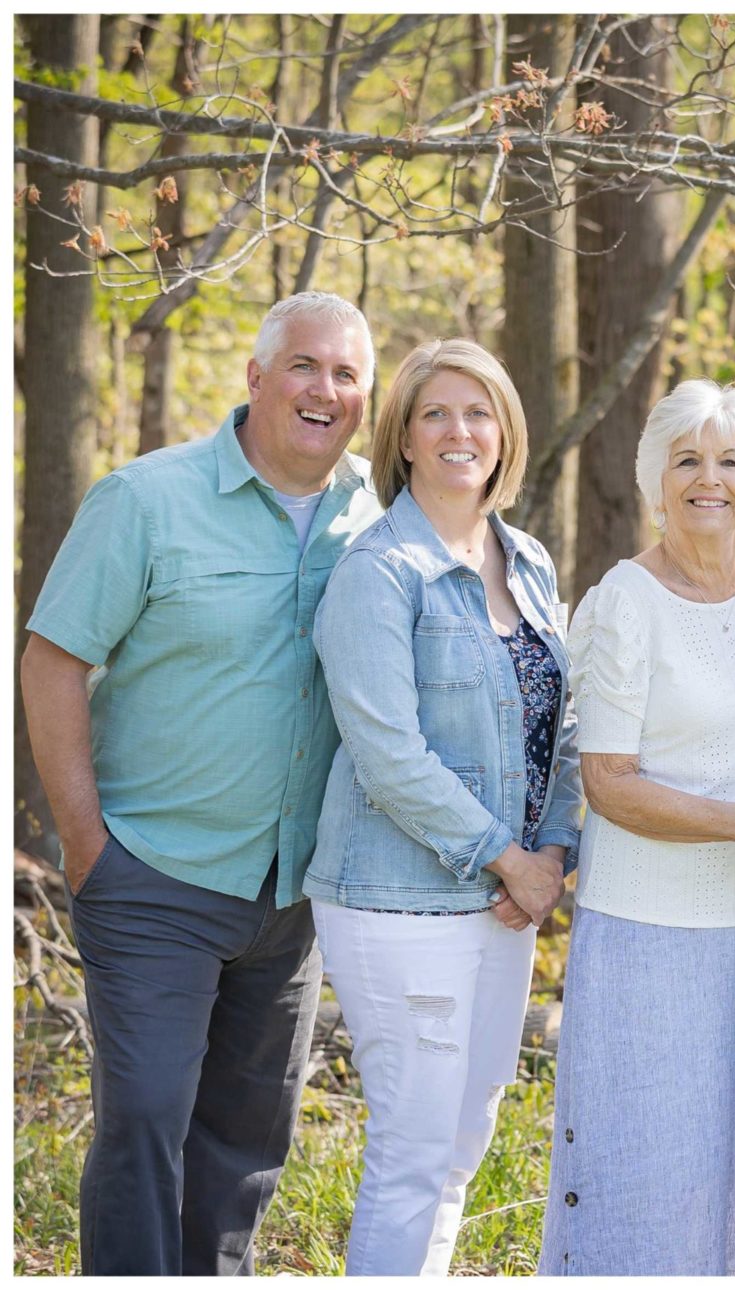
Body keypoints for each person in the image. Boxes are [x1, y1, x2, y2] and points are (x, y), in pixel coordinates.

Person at [19, 292, 385, 1274]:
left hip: (289, 897)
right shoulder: (146, 501)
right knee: (143, 1125)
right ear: (256, 377)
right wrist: (87, 844)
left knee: (244, 1144)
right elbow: (52, 659)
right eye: (305, 366)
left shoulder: (378, 523)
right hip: (152, 878)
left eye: (348, 374)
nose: (325, 389)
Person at [303, 338, 582, 1274]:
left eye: (479, 413)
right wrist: (510, 858)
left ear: (505, 434)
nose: (461, 431)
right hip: (398, 899)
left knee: (464, 1142)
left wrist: (551, 853)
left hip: (508, 899)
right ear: (405, 440)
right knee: (415, 1152)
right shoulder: (378, 572)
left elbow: (566, 722)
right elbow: (388, 754)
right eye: (436, 414)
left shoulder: (529, 558)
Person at [538, 380, 735, 1275]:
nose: (710, 480)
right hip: (647, 934)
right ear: (654, 480)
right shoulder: (624, 602)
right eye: (687, 461)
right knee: (647, 1178)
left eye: (730, 461)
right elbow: (609, 783)